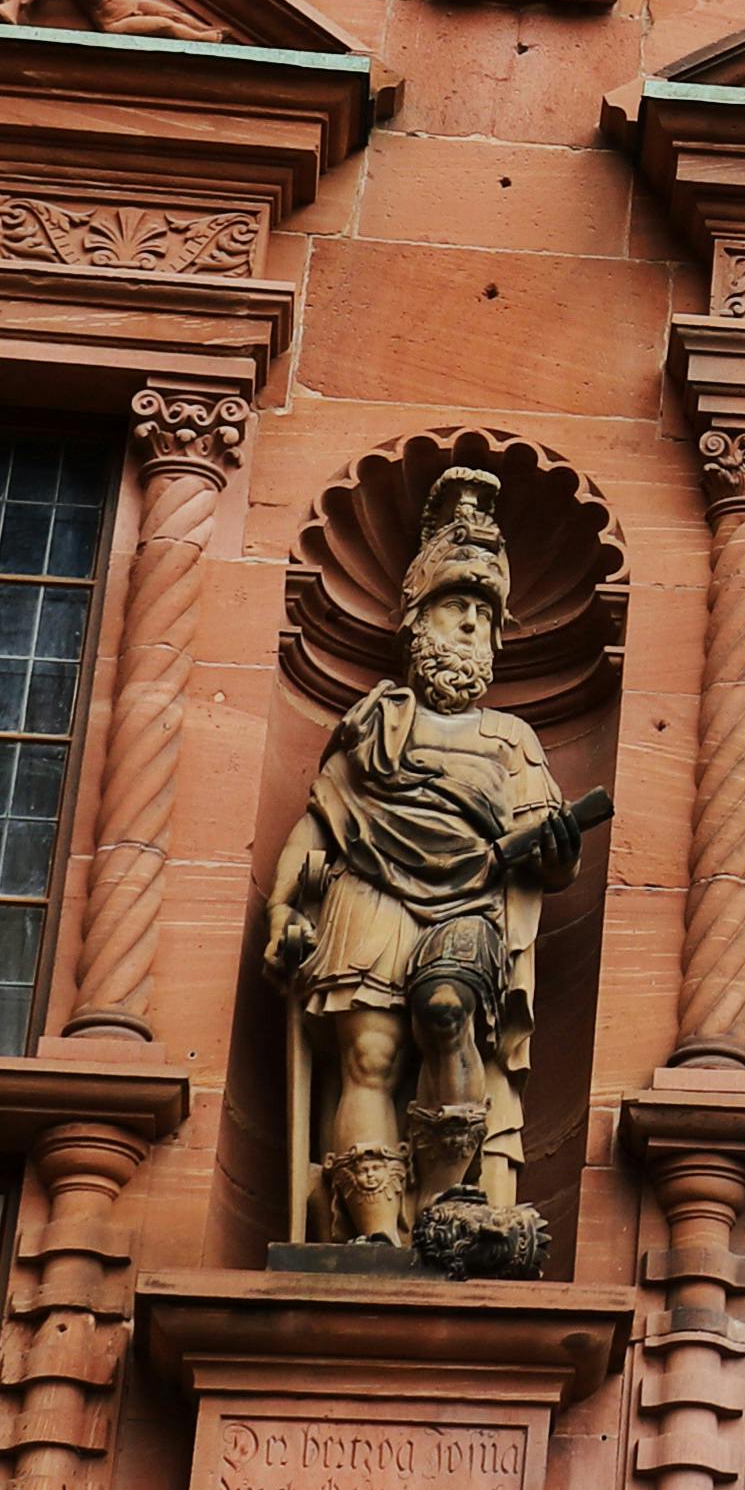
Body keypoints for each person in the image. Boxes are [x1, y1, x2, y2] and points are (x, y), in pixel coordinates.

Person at [268, 466, 608, 1266]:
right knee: (370, 1056)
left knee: (450, 1011)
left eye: (483, 619)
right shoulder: (376, 723)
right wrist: (285, 904)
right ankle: (375, 1228)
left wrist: (558, 848)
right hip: (369, 889)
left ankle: (446, 1208)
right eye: (455, 610)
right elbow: (320, 821)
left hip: (469, 904)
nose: (470, 630)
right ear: (417, 621)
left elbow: (545, 852)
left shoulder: (512, 738)